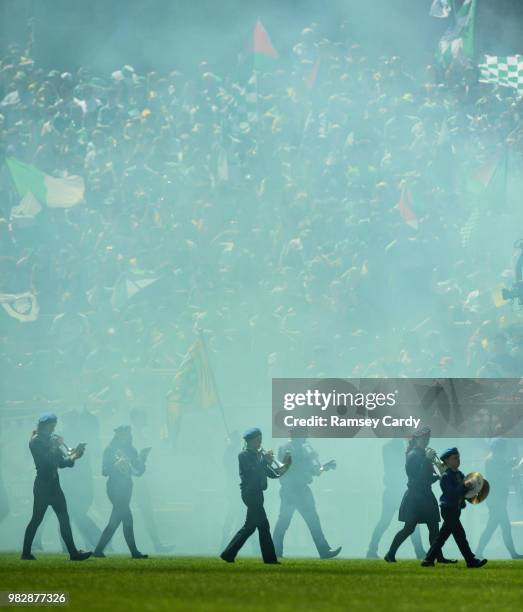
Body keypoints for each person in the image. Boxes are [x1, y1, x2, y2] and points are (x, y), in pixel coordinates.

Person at [21, 412, 92, 561]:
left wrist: (75, 456)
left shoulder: (49, 440)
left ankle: (73, 553)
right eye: (51, 426)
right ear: (44, 426)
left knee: (64, 519)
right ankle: (25, 553)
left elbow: (63, 463)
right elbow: (45, 462)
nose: (54, 429)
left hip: (54, 486)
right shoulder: (35, 441)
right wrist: (54, 446)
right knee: (36, 519)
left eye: (54, 426)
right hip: (43, 486)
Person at [220, 427, 291, 564]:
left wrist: (285, 467)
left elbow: (272, 474)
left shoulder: (259, 456)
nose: (260, 442)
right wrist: (265, 461)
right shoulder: (243, 455)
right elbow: (252, 472)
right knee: (264, 526)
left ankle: (228, 554)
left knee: (249, 527)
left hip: (257, 494)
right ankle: (270, 559)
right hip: (250, 494)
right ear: (250, 441)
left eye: (261, 440)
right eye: (258, 440)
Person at [385, 427, 455, 563]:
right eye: (423, 438)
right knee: (409, 528)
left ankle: (439, 557)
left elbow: (429, 476)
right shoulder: (413, 455)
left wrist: (439, 474)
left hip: (426, 495)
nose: (426, 440)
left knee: (434, 528)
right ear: (417, 439)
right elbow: (415, 477)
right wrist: (427, 461)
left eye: (427, 438)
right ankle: (390, 554)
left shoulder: (424, 454)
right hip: (415, 497)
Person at [272, 435, 341, 559]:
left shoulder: (305, 448)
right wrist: (313, 461)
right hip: (290, 491)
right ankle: (275, 552)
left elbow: (315, 470)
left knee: (313, 521)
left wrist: (324, 467)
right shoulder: (287, 448)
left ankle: (324, 550)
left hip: (302, 490)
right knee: (284, 521)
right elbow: (287, 467)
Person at [422, 447, 487, 568]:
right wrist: (465, 486)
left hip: (455, 509)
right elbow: (452, 493)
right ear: (446, 460)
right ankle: (471, 561)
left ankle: (428, 559)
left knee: (442, 537)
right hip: (448, 509)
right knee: (460, 535)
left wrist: (474, 488)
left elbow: (464, 493)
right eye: (455, 458)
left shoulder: (459, 474)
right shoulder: (446, 476)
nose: (458, 460)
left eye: (458, 457)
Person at [94, 425, 150, 559]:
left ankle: (99, 550)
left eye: (126, 433)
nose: (124, 435)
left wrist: (142, 460)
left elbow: (138, 472)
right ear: (117, 435)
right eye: (121, 433)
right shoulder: (109, 450)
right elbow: (104, 471)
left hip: (127, 488)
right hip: (114, 487)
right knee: (126, 519)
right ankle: (134, 552)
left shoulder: (132, 450)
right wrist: (116, 465)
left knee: (117, 521)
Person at [367, 439, 424, 559]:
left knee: (395, 522)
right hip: (394, 492)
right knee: (386, 522)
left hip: (399, 491)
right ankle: (419, 552)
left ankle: (372, 550)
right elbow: (397, 466)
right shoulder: (391, 448)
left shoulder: (402, 447)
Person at [476, 438, 522, 559]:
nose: (504, 451)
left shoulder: (498, 460)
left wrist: (511, 470)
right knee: (505, 526)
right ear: (496, 449)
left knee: (491, 528)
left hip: (498, 499)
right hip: (495, 500)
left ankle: (478, 552)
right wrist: (510, 466)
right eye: (502, 448)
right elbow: (498, 476)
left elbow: (504, 477)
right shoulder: (491, 461)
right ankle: (513, 554)